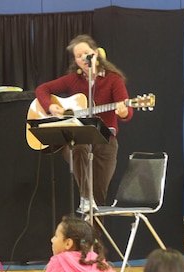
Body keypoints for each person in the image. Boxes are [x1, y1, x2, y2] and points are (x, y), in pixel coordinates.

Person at [35, 34, 133, 212]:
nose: (83, 58)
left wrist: (124, 111)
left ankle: (93, 239)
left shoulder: (113, 79)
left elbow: (127, 110)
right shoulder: (74, 79)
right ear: (75, 60)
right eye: (78, 56)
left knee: (99, 199)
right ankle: (85, 197)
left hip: (105, 142)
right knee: (79, 145)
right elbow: (42, 89)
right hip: (78, 140)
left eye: (86, 53)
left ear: (96, 53)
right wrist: (50, 107)